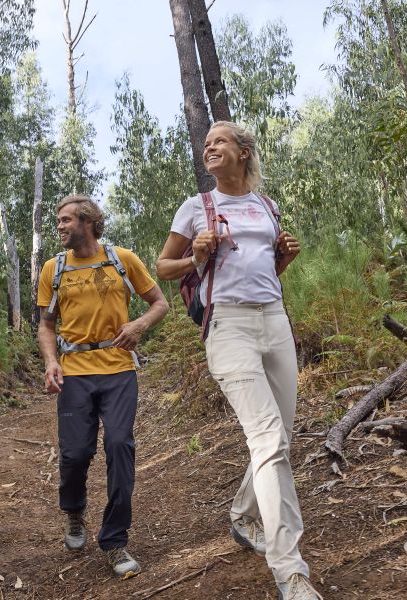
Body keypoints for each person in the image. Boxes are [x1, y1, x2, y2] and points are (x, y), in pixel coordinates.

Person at [155, 122, 323, 600]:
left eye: (220, 141)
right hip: (227, 326)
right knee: (267, 436)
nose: (210, 147)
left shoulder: (266, 206)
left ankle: (245, 516)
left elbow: (265, 269)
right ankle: (290, 570)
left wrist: (285, 256)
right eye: (207, 143)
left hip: (275, 321)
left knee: (281, 435)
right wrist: (195, 255)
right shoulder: (195, 207)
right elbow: (162, 268)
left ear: (243, 152)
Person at [37, 195, 168, 579]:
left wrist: (139, 325)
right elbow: (46, 324)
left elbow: (159, 303)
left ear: (89, 221)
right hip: (75, 370)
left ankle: (114, 540)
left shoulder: (122, 260)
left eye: (65, 220)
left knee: (119, 445)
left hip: (118, 369)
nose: (59, 227)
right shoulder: (53, 269)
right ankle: (74, 510)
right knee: (76, 454)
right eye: (57, 221)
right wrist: (50, 362)